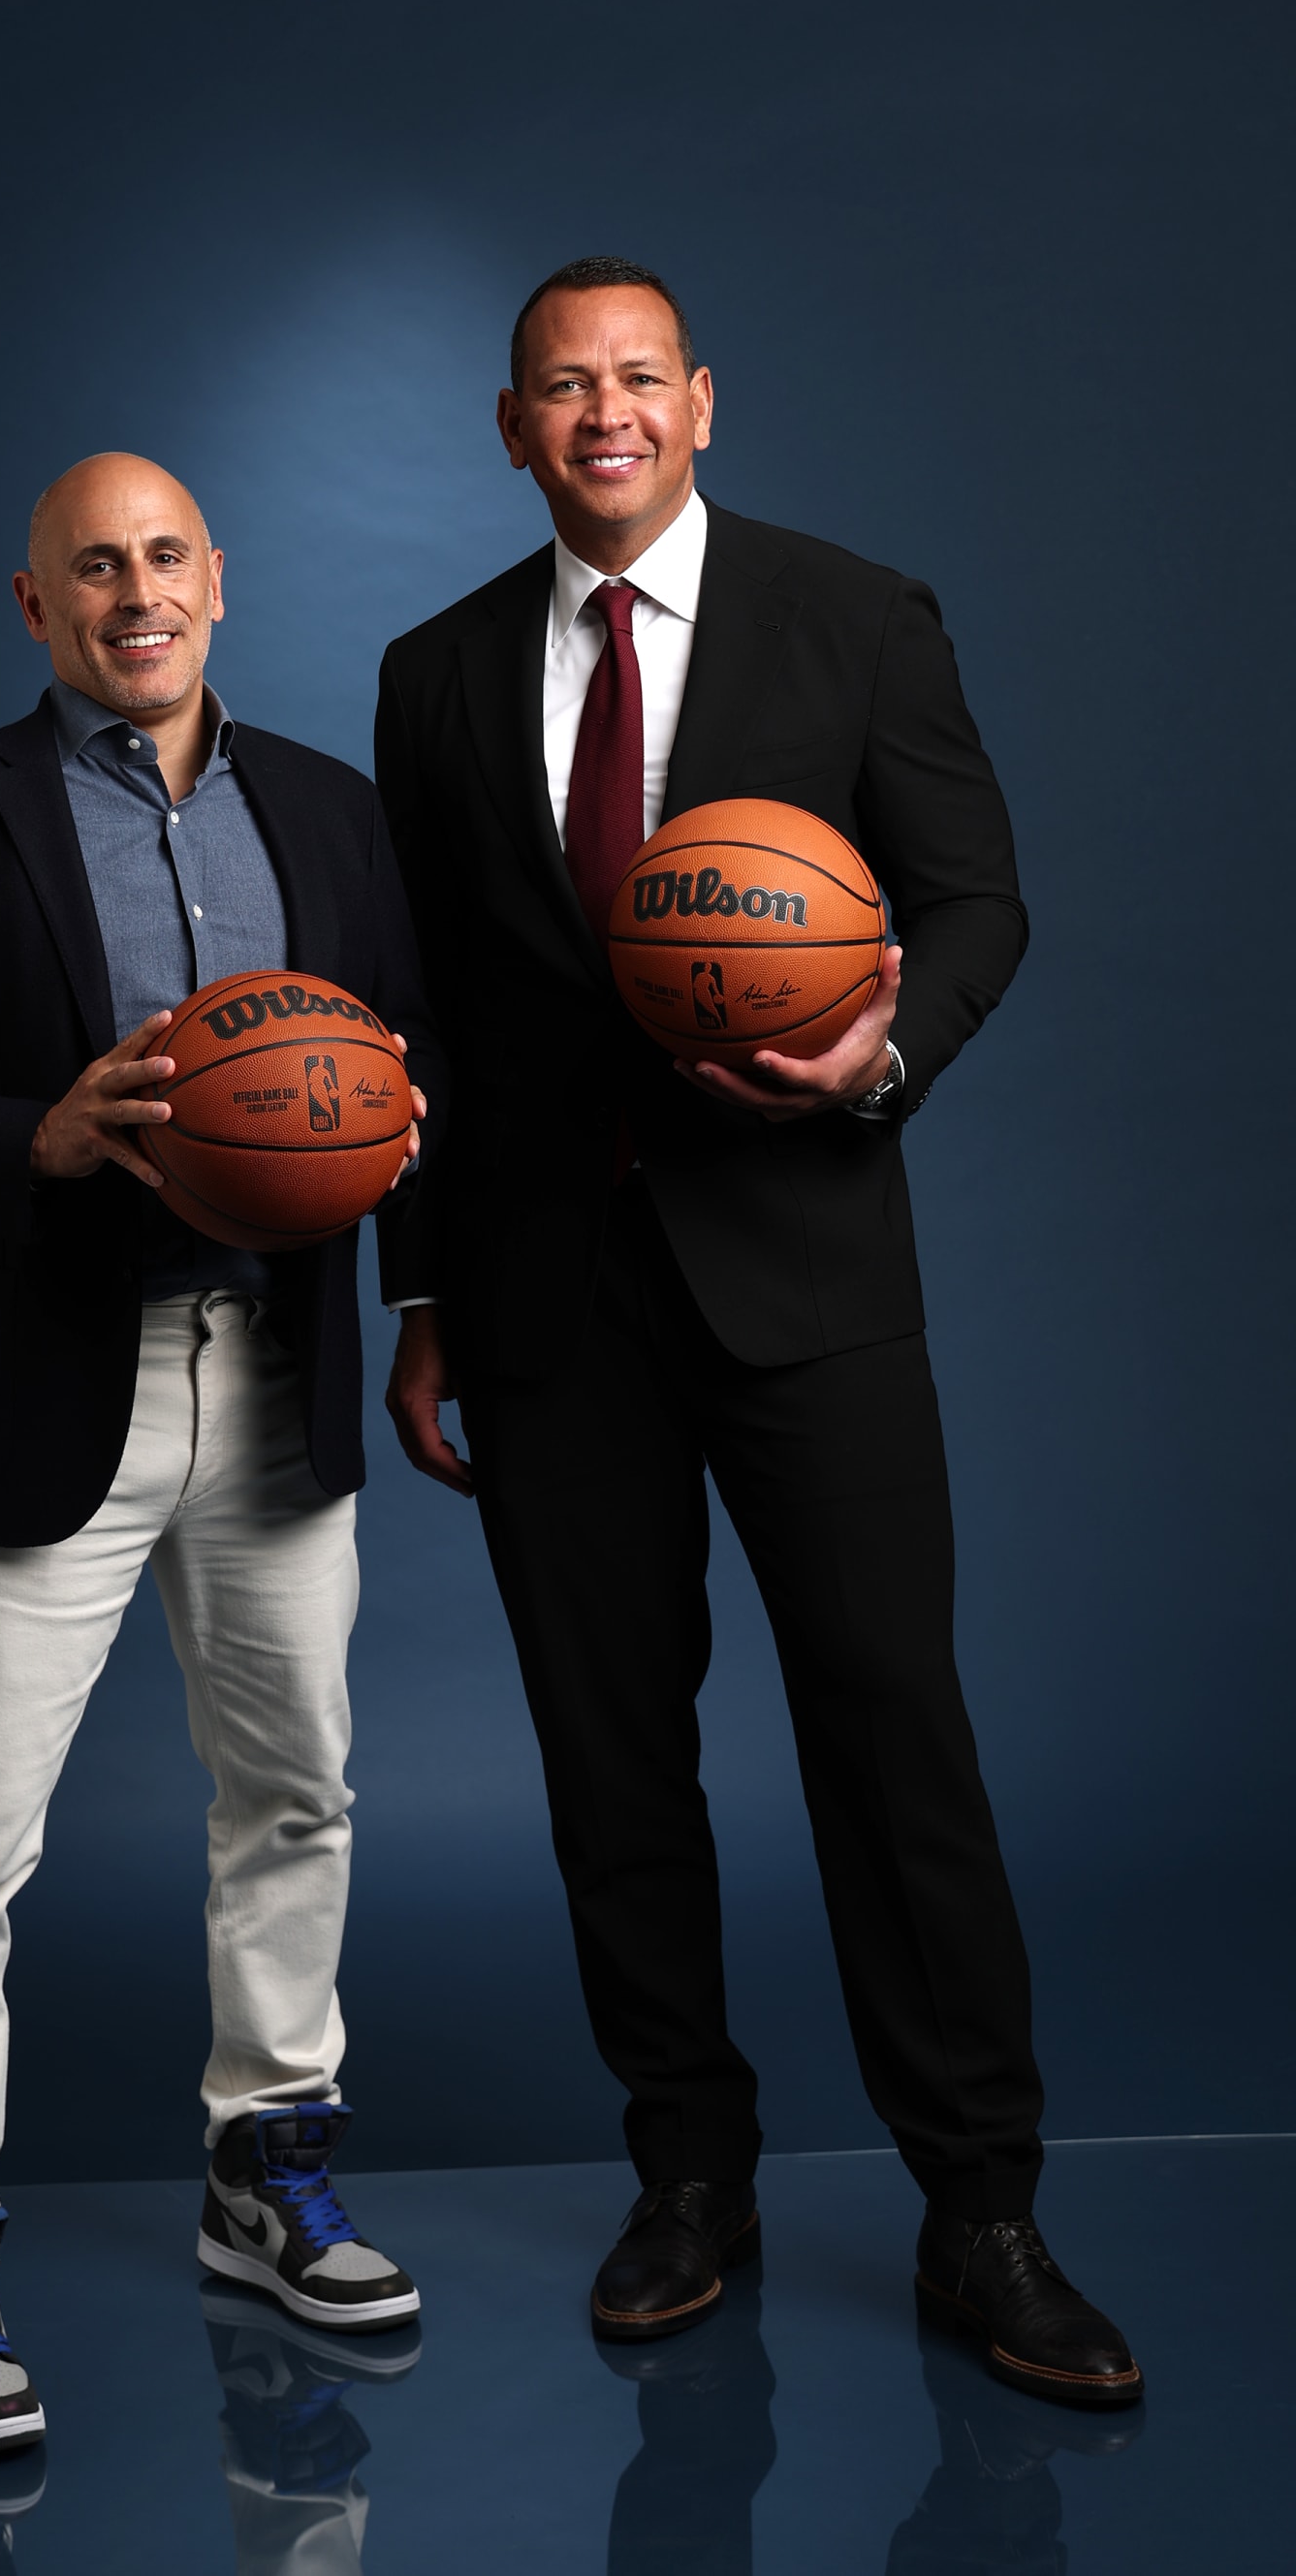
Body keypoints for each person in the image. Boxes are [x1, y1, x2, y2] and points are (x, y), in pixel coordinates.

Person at [376, 259, 1139, 2403]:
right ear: (511, 427)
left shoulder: (856, 616)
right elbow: (427, 1004)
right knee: (611, 1755)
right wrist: (423, 1290)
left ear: (701, 402)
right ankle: (688, 2175)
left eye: (639, 378)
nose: (604, 413)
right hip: (546, 1295)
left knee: (894, 1737)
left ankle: (982, 2213)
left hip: (806, 1271)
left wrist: (880, 1057)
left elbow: (978, 900)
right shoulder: (436, 671)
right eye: (564, 386)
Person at [0, 453, 442, 2460]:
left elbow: (408, 1076)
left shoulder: (330, 809)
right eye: (94, 567)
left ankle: (268, 2169)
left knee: (297, 1794)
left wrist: (421, 1265)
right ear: (36, 604)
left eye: (163, 558)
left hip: (279, 1375)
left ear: (216, 581)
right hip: (45, 1379)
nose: (134, 593)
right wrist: (33, 1140)